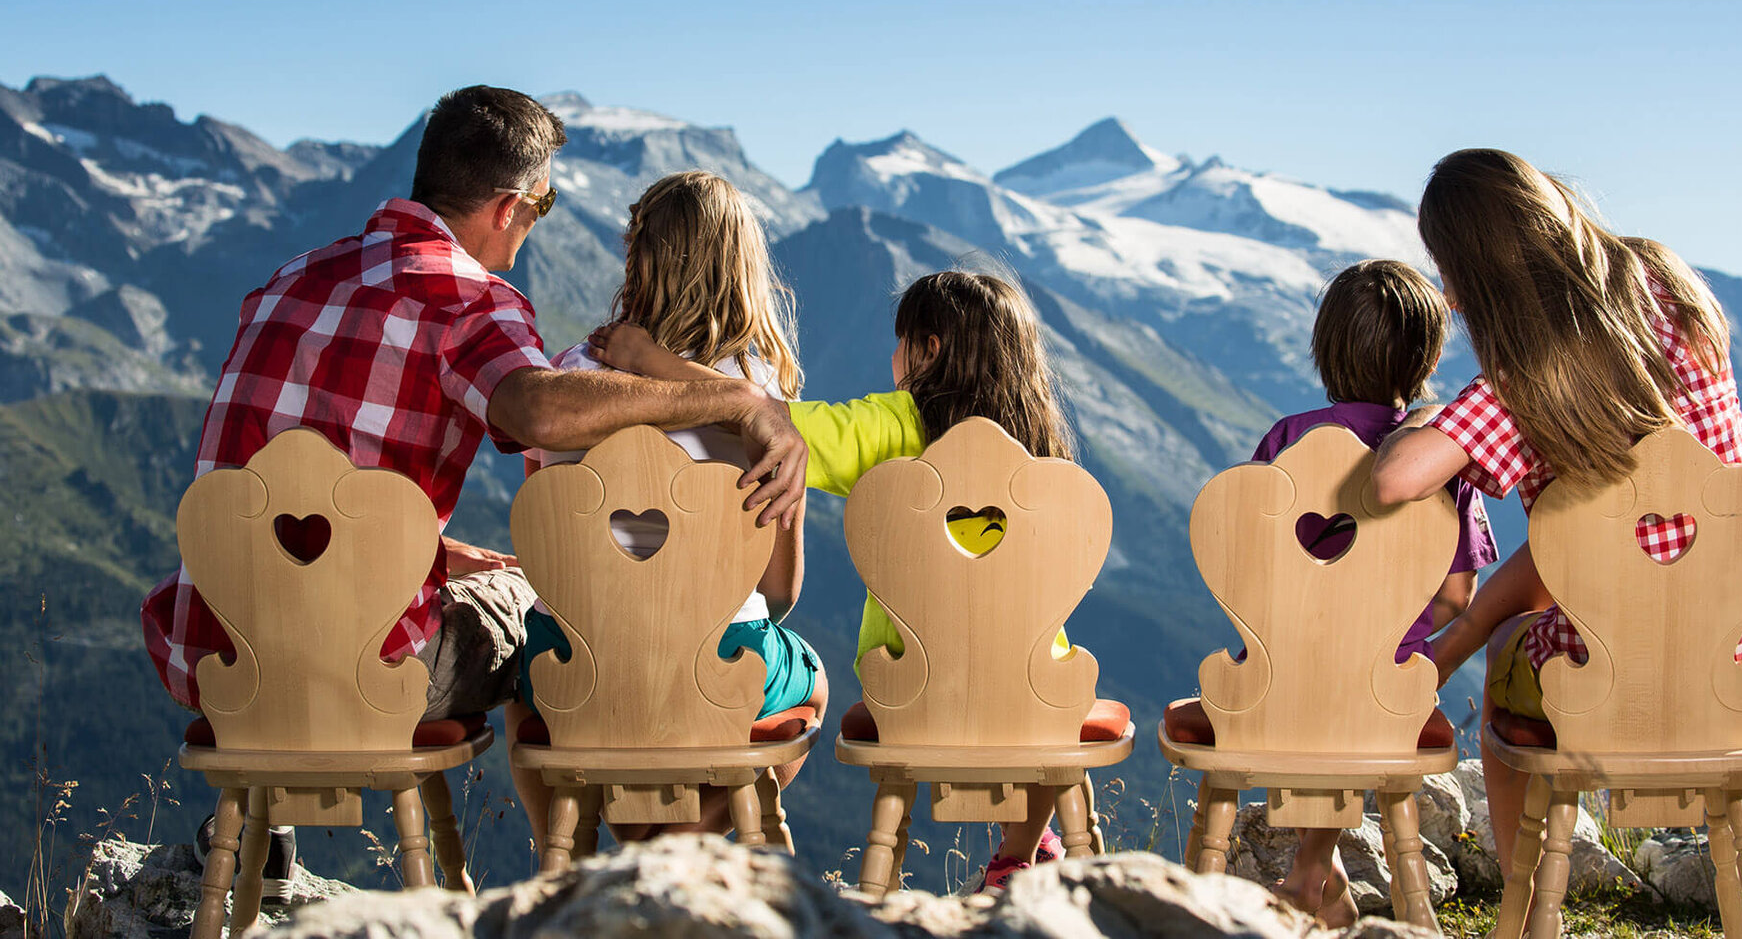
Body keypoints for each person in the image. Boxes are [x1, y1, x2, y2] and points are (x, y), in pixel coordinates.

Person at [139, 86, 806, 891]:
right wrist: (739, 399)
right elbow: (537, 411)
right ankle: (613, 885)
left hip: (216, 649)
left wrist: (433, 552)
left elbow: (295, 490)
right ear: (507, 206)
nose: (537, 222)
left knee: (493, 589)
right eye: (545, 203)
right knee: (530, 602)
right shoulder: (469, 300)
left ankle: (263, 818)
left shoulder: (290, 279)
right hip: (372, 669)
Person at [1368, 148, 1742, 879]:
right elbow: (1599, 542)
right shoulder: (1665, 279)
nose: (1447, 296)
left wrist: (1437, 415)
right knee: (1579, 566)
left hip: (1609, 680)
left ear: (1478, 268)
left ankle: (1526, 895)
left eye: (1449, 270)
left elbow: (1395, 483)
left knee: (1512, 652)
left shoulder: (1521, 375)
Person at [594, 268, 1079, 891]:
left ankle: (1014, 853)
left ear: (928, 350)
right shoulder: (1044, 453)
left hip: (910, 686)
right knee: (1047, 700)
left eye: (901, 341)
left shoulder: (893, 428)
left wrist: (651, 359)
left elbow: (775, 420)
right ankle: (1020, 852)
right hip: (1035, 691)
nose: (893, 356)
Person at [510, 170, 828, 846]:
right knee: (809, 679)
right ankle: (683, 850)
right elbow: (778, 594)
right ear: (742, 269)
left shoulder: (570, 374)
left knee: (524, 692)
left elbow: (547, 552)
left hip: (577, 665)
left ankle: (564, 862)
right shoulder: (763, 403)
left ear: (637, 259)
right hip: (710, 664)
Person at [1244, 260, 1497, 925]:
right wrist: (1397, 632)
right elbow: (1457, 596)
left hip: (1282, 669)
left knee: (1301, 694)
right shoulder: (1440, 457)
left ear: (1323, 345)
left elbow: (1242, 569)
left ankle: (1314, 872)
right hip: (1388, 683)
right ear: (1429, 356)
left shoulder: (1285, 439)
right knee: (1349, 697)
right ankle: (1313, 876)